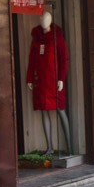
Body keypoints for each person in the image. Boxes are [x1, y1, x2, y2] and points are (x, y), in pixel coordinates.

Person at [26, 10, 70, 154]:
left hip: (54, 80)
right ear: (40, 19)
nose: (44, 21)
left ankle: (70, 147)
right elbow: (32, 59)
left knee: (60, 110)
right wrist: (30, 78)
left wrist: (61, 79)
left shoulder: (57, 37)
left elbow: (64, 59)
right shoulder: (36, 37)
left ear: (51, 21)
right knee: (44, 111)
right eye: (42, 18)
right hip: (41, 80)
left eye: (47, 19)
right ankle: (49, 147)